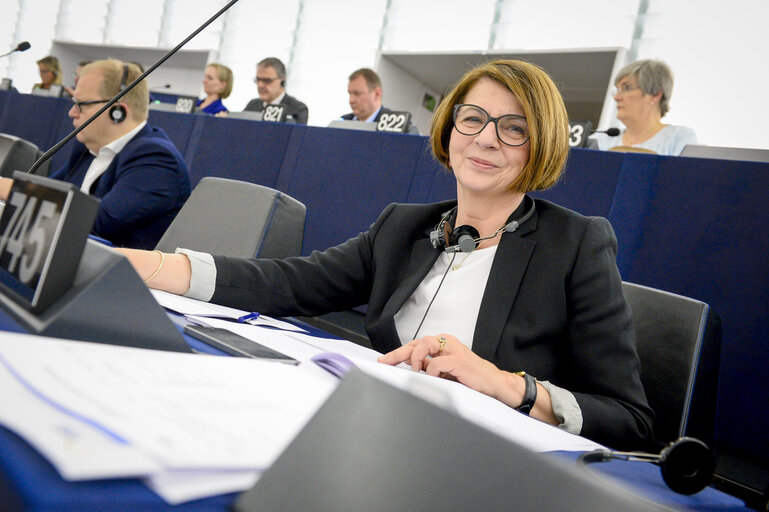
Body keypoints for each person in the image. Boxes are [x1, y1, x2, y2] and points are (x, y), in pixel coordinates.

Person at [119, 59, 653, 450]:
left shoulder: (576, 243)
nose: (487, 139)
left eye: (515, 128)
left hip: (480, 464)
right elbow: (286, 282)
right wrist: (153, 266)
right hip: (371, 435)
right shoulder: (404, 226)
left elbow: (629, 420)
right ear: (450, 129)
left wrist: (507, 385)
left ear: (545, 144)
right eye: (472, 119)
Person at [1, 59, 191, 250]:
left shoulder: (157, 161)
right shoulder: (88, 148)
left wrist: (12, 190)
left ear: (118, 112)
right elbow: (45, 191)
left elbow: (95, 222)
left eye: (81, 104)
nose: (71, 113)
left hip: (117, 276)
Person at [590, 59, 696, 156]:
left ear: (655, 94)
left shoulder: (679, 137)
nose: (617, 97)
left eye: (627, 88)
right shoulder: (601, 138)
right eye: (617, 90)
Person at [243, 57, 308, 124]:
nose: (260, 85)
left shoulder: (297, 108)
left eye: (267, 80)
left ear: (283, 80)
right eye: (258, 80)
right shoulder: (253, 105)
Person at [340, 67, 410, 125]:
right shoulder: (341, 123)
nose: (351, 100)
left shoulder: (397, 125)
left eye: (357, 94)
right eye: (350, 93)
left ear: (377, 94)